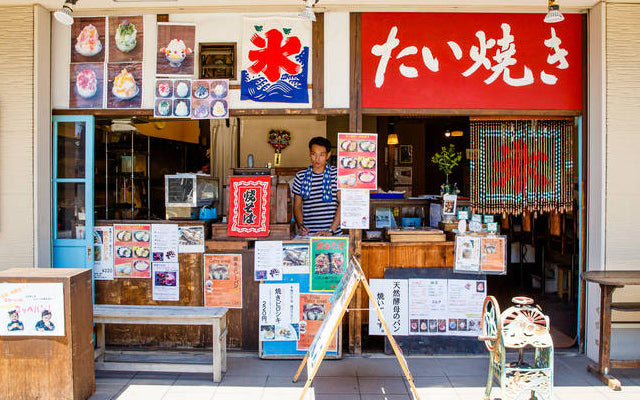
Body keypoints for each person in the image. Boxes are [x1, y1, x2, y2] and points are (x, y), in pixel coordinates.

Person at [292, 137, 341, 236]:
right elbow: (297, 206)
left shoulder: (336, 174)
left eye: (322, 155)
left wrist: (331, 230)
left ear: (328, 155)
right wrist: (301, 226)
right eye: (314, 154)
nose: (317, 159)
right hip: (309, 234)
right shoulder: (301, 176)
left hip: (333, 234)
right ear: (309, 153)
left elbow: (343, 204)